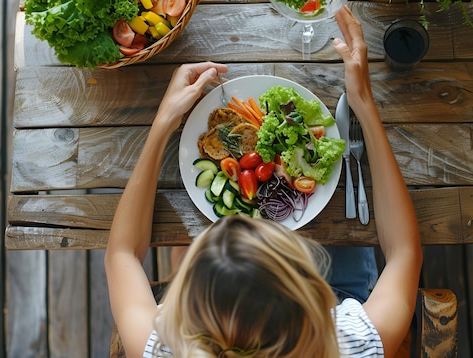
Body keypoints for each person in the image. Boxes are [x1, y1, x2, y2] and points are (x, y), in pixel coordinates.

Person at [105, 6, 422, 358]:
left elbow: (121, 254)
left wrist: (164, 120)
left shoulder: (167, 350)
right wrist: (363, 102)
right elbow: (405, 252)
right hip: (333, 293)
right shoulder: (350, 343)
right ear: (305, 289)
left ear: (187, 309)